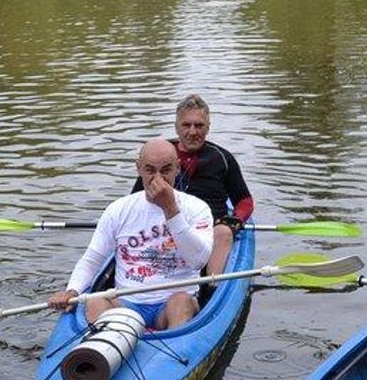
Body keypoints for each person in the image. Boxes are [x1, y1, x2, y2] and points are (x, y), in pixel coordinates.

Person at [48, 138, 214, 330]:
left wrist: (170, 209)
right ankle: (110, 343)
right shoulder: (118, 209)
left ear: (177, 168)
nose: (158, 179)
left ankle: (171, 348)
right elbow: (93, 258)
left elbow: (199, 261)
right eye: (150, 170)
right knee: (95, 301)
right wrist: (72, 290)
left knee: (182, 302)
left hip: (171, 305)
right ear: (139, 169)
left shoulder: (197, 208)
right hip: (127, 304)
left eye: (166, 170)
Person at [132, 94, 254, 275]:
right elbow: (133, 201)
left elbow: (245, 201)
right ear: (176, 127)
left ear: (208, 127)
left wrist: (234, 220)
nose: (193, 132)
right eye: (186, 125)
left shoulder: (223, 159)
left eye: (199, 125)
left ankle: (212, 288)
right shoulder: (158, 156)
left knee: (223, 232)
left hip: (208, 233)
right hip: (161, 230)